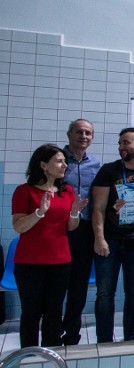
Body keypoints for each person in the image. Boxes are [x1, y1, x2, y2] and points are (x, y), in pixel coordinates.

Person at [13, 144, 88, 347]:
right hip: (30, 263)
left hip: (60, 261)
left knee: (54, 312)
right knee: (31, 312)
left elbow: (71, 227)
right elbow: (19, 226)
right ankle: (29, 357)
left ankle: (50, 357)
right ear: (44, 165)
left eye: (65, 161)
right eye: (59, 161)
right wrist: (39, 212)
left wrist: (74, 213)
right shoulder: (24, 191)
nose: (64, 165)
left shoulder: (68, 192)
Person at [91, 127, 134, 342]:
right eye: (120, 143)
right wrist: (99, 238)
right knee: (104, 294)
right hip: (110, 241)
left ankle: (130, 339)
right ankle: (104, 341)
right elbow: (98, 208)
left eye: (126, 143)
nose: (121, 147)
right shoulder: (109, 171)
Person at [61, 119, 101, 345]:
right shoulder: (57, 159)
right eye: (79, 132)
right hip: (59, 230)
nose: (83, 136)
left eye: (88, 133)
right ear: (69, 135)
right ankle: (53, 331)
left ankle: (72, 334)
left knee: (79, 285)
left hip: (85, 231)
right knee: (58, 285)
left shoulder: (95, 164)